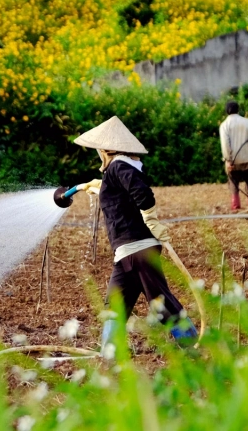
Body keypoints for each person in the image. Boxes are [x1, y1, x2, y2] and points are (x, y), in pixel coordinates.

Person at [73, 116, 197, 343]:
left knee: (160, 302)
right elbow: (123, 195)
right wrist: (101, 187)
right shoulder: (118, 169)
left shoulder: (119, 166)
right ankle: (110, 351)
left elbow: (142, 192)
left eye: (99, 149)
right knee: (115, 302)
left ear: (107, 150)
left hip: (138, 248)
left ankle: (190, 341)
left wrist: (151, 218)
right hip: (125, 253)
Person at [219, 100, 248, 211]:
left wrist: (228, 160)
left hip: (233, 161)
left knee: (233, 184)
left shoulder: (224, 125)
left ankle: (236, 206)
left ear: (226, 111)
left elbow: (225, 145)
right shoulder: (247, 122)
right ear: (238, 110)